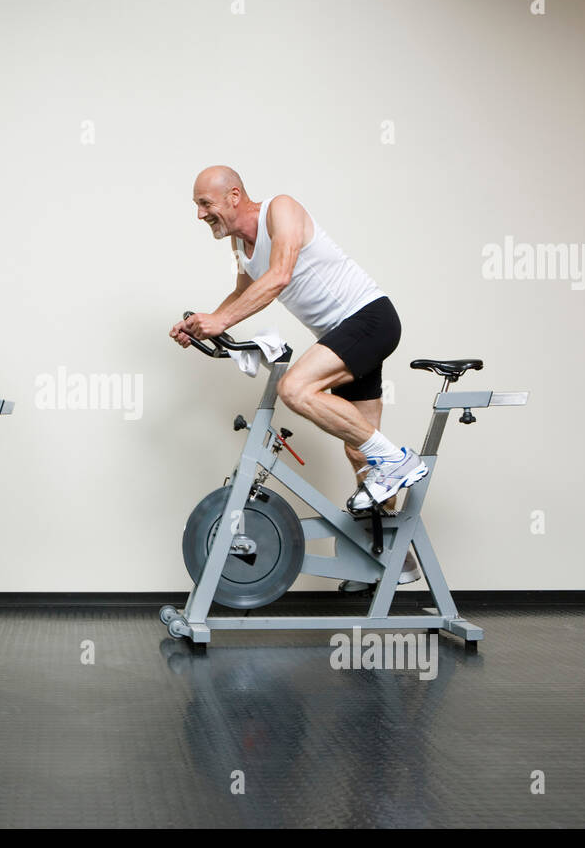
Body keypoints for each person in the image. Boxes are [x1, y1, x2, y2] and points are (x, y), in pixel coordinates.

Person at [172, 165, 422, 586]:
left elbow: (279, 276)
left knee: (296, 388)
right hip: (341, 333)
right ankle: (396, 562)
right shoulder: (239, 244)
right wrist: (207, 320)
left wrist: (221, 321)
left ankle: (398, 461)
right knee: (361, 452)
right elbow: (243, 291)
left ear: (234, 196)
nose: (200, 215)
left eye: (205, 204)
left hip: (368, 319)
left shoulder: (281, 210)